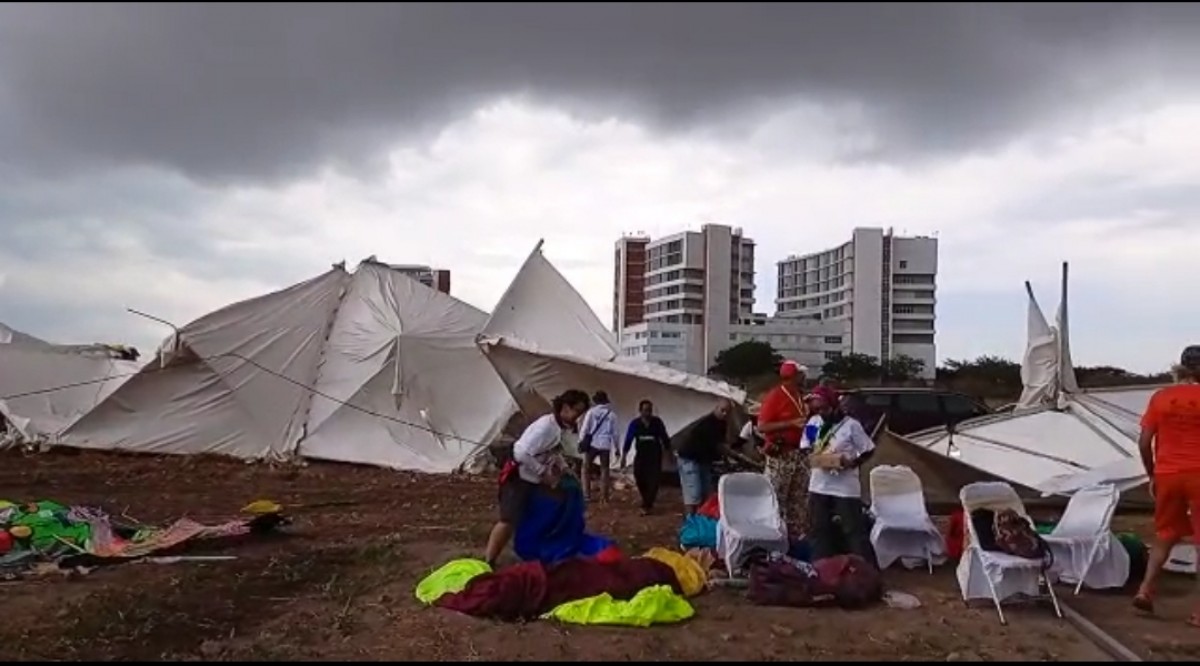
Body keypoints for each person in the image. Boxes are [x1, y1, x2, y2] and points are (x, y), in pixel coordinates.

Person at [1133, 345, 1200, 627]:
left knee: (1165, 533)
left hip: (1168, 474)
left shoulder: (1161, 398)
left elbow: (1144, 442)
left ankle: (1145, 590)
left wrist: (1153, 475)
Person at [484, 389, 590, 568]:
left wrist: (564, 468)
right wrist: (543, 472)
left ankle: (533, 551)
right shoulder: (545, 427)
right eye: (576, 412)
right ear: (564, 407)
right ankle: (489, 560)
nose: (577, 417)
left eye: (580, 413)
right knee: (508, 520)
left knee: (539, 513)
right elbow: (520, 452)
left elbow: (553, 452)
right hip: (518, 479)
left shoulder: (560, 429)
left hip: (534, 479)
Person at [803, 385, 876, 562]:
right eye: (817, 409)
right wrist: (817, 457)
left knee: (853, 530)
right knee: (819, 529)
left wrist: (853, 462)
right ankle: (821, 567)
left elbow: (868, 449)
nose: (821, 412)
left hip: (845, 487)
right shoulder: (814, 423)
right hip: (819, 485)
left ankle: (862, 569)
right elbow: (806, 445)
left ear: (834, 406)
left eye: (824, 408)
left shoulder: (851, 425)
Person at [757, 360, 811, 535]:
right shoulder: (775, 396)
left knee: (798, 499)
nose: (805, 377)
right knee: (776, 498)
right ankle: (773, 535)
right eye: (802, 374)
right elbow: (762, 426)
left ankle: (795, 537)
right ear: (795, 376)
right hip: (782, 454)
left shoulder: (798, 395)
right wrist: (791, 424)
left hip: (799, 453)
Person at [676, 399, 735, 515]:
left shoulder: (722, 424)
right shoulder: (707, 423)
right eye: (722, 410)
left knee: (706, 491)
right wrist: (731, 455)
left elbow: (721, 444)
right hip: (689, 458)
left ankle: (701, 518)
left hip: (703, 459)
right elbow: (719, 446)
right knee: (694, 492)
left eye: (727, 412)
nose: (724, 414)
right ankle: (691, 521)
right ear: (716, 408)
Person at [621, 399, 671, 515]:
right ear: (640, 411)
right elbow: (628, 439)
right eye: (645, 410)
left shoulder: (657, 422)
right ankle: (645, 499)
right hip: (641, 456)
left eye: (649, 410)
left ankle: (647, 504)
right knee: (639, 477)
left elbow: (664, 438)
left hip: (655, 456)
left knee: (654, 480)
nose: (647, 413)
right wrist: (624, 456)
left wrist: (668, 454)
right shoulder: (635, 424)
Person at [578, 390, 618, 503]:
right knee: (605, 470)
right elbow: (615, 433)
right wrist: (617, 448)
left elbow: (585, 429)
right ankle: (604, 497)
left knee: (586, 469)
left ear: (596, 401)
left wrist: (581, 441)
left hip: (592, 444)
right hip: (605, 444)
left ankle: (586, 495)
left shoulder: (591, 412)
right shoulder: (612, 415)